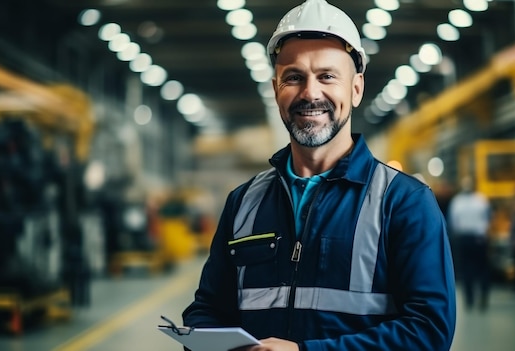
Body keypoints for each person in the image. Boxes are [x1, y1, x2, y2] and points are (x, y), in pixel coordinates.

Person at [182, 1, 456, 350]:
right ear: (276, 89)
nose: (310, 93)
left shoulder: (403, 202)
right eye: (294, 77)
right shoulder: (243, 202)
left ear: (356, 89)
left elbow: (429, 333)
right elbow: (207, 310)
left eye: (327, 76)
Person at [447, 176, 491, 311]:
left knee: (467, 269)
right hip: (479, 239)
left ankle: (470, 300)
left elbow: (453, 222)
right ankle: (483, 296)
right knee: (482, 268)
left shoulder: (457, 202)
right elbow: (488, 218)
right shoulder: (481, 200)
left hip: (464, 239)